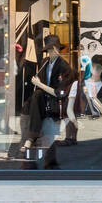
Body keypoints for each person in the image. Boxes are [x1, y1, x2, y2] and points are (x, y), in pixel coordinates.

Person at [21, 34, 73, 166]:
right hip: (42, 100)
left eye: (53, 49)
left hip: (55, 102)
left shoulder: (64, 67)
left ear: (57, 49)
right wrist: (39, 85)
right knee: (29, 103)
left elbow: (60, 93)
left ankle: (31, 138)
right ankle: (28, 139)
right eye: (49, 49)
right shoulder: (44, 63)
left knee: (37, 96)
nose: (51, 52)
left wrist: (40, 85)